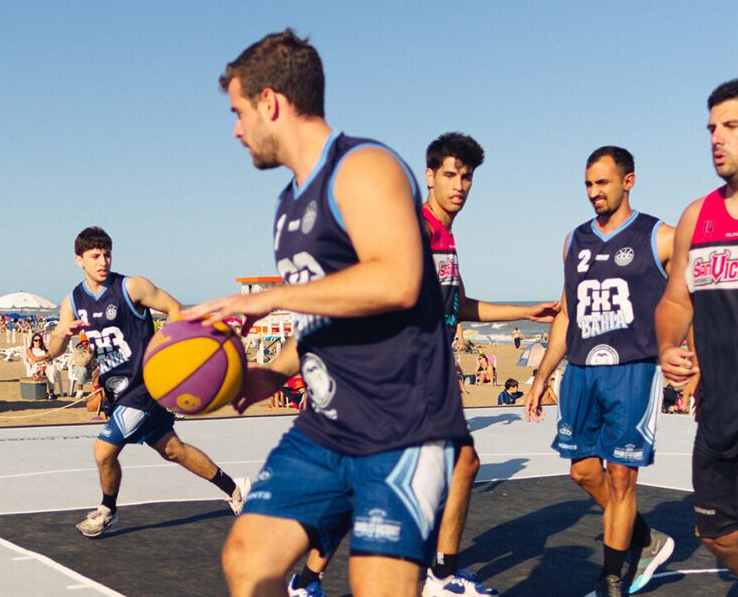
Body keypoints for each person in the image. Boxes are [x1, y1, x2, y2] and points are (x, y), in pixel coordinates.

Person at [185, 30, 469, 597]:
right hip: (325, 427)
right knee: (249, 559)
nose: (236, 129)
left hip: (401, 427)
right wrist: (271, 373)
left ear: (271, 102)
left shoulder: (363, 167)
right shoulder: (289, 202)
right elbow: (328, 311)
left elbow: (397, 279)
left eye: (239, 112)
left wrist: (263, 299)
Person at [285, 132, 559, 596]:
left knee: (450, 467)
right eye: (450, 174)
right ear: (429, 176)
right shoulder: (415, 228)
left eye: (467, 177)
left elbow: (459, 305)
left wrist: (524, 311)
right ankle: (426, 576)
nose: (460, 185)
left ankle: (322, 579)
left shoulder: (446, 238)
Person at [526, 146, 676, 596]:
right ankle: (645, 537)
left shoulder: (660, 235)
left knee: (620, 474)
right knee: (583, 472)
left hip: (632, 370)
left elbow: (689, 296)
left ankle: (611, 578)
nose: (594, 192)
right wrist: (541, 375)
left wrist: (688, 353)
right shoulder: (574, 240)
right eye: (588, 184)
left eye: (603, 183)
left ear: (628, 181)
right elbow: (567, 314)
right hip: (581, 371)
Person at [47, 226, 249, 538]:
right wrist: (62, 334)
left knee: (103, 451)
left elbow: (176, 310)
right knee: (172, 449)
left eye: (107, 254)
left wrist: (175, 353)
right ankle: (235, 488)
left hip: (145, 387)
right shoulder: (73, 300)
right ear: (80, 260)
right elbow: (54, 350)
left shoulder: (132, 287)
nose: (103, 261)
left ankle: (107, 509)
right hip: (117, 389)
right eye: (95, 256)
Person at [656, 78, 738, 577]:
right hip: (719, 414)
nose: (716, 138)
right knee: (715, 533)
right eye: (712, 128)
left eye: (731, 126)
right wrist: (668, 344)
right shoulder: (697, 217)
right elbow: (674, 300)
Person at [25, 332, 59, 399]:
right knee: (37, 371)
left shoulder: (44, 350)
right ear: (32, 341)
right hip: (35, 367)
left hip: (44, 365)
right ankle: (41, 391)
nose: (38, 342)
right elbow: (34, 358)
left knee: (51, 369)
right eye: (36, 340)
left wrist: (38, 359)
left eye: (40, 340)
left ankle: (51, 392)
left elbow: (48, 358)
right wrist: (44, 356)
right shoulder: (29, 349)